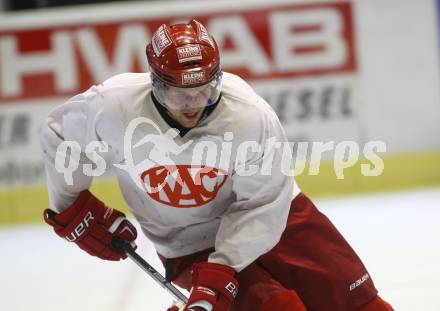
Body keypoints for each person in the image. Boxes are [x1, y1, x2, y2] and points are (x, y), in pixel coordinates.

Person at [40, 20, 394, 311]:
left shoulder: (248, 115)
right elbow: (59, 132)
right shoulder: (114, 105)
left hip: (277, 220)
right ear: (155, 82)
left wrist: (223, 266)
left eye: (204, 91)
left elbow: (261, 203)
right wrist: (71, 202)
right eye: (178, 94)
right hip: (188, 243)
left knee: (365, 307)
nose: (193, 105)